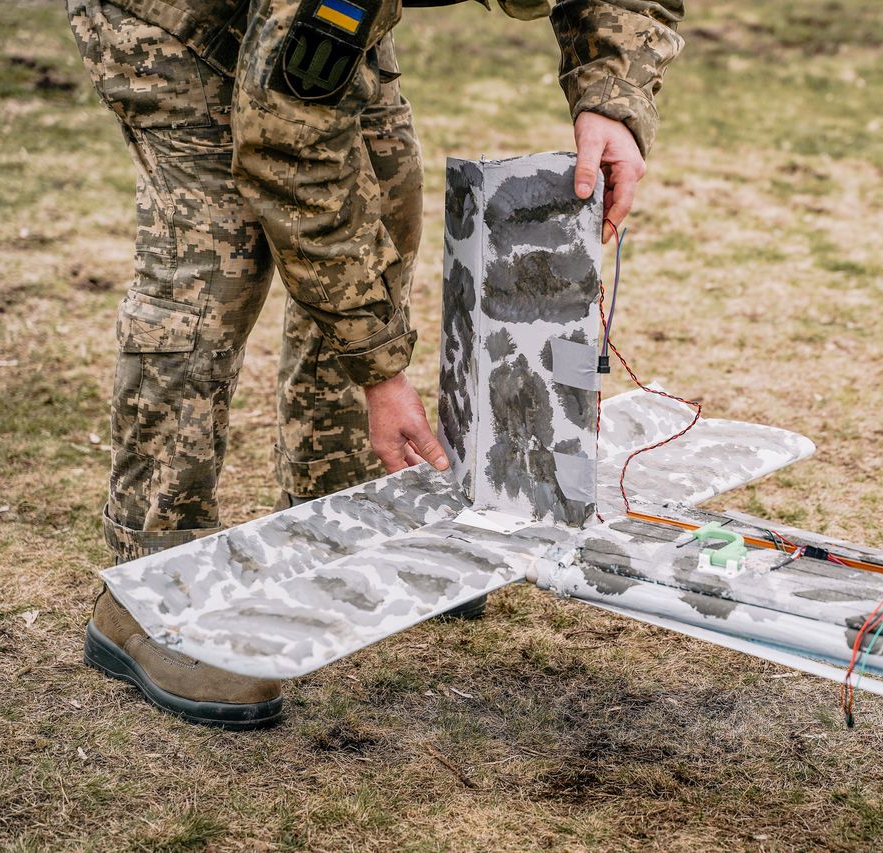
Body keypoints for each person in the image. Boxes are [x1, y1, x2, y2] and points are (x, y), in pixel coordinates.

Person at [67, 0, 684, 729]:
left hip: (294, 19)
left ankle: (341, 507)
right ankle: (149, 585)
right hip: (172, 14)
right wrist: (381, 374)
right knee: (214, 255)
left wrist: (610, 99)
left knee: (385, 193)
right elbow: (288, 153)